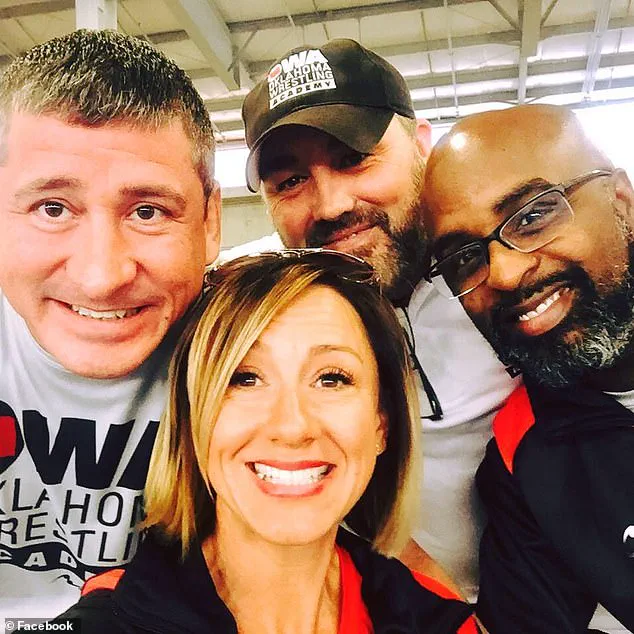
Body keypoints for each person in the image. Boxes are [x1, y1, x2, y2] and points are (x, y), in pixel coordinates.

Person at [55, 250, 480, 633]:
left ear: (381, 425)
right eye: (245, 378)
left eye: (331, 379)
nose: (292, 427)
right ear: (194, 418)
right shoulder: (106, 619)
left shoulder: (439, 619)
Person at [240, 38, 520, 599]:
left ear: (421, 146)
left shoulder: (511, 269)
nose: (332, 205)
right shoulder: (254, 313)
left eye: (354, 159)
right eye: (290, 181)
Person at [0, 30, 219, 619]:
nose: (101, 277)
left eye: (148, 211)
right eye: (52, 208)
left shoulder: (252, 350)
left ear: (211, 223)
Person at [423, 104, 634, 633]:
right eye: (465, 257)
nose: (505, 272)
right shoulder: (527, 456)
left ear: (623, 202)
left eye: (533, 216)